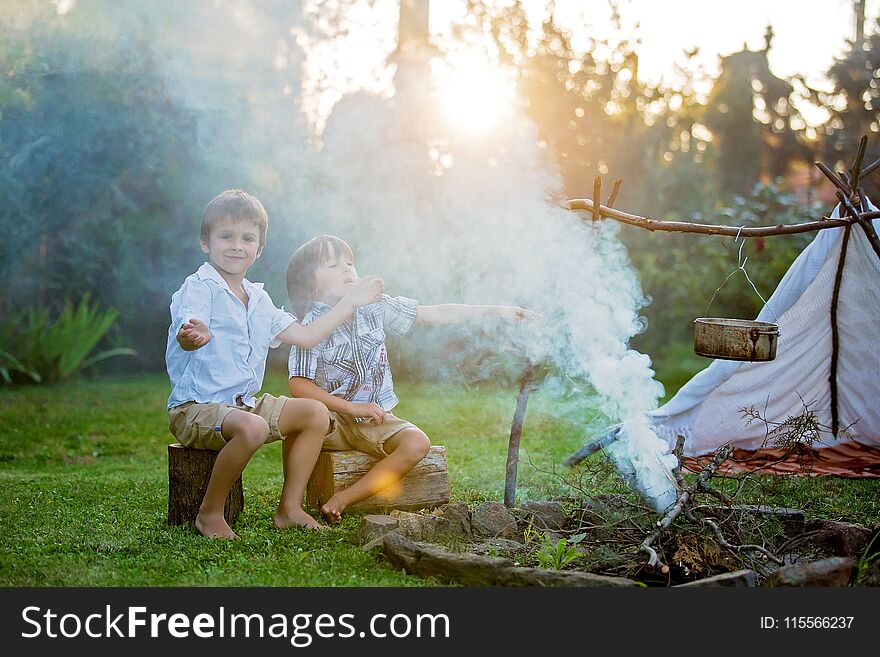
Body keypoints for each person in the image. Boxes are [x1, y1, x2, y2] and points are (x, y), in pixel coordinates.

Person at [166, 191, 384, 539]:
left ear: (260, 248)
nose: (237, 246)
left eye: (247, 238)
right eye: (226, 236)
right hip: (196, 409)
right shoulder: (198, 287)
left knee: (315, 413)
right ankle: (209, 514)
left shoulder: (259, 299)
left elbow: (308, 335)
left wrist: (350, 302)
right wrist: (194, 333)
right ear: (205, 242)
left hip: (243, 405)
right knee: (251, 428)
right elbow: (188, 325)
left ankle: (289, 508)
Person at [286, 235, 541, 522]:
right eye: (334, 265)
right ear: (312, 284)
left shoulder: (375, 307)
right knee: (302, 420)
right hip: (331, 422)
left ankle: (343, 499)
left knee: (417, 443)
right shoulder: (309, 325)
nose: (347, 270)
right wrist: (351, 409)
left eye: (349, 263)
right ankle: (290, 506)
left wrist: (496, 311)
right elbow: (299, 384)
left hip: (374, 420)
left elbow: (434, 313)